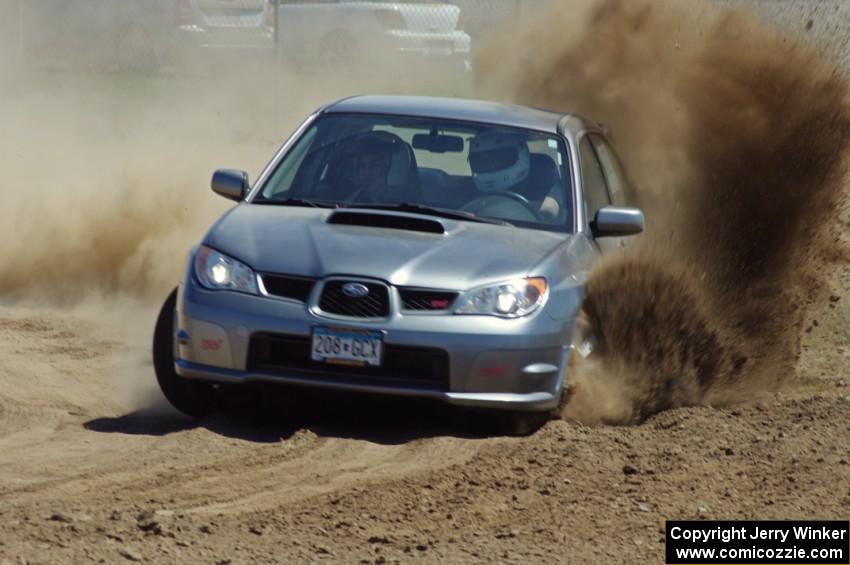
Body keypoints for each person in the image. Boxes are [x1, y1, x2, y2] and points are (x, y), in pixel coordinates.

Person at [466, 130, 564, 222]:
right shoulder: (465, 193)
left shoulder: (547, 187)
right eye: (479, 162)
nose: (488, 166)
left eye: (496, 160)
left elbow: (548, 212)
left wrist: (545, 210)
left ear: (521, 156)